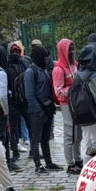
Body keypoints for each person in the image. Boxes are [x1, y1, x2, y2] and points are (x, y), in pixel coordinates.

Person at [25, 44, 60, 173]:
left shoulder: (43, 69)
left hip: (47, 110)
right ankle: (38, 165)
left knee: (45, 138)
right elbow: (29, 95)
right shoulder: (30, 72)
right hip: (37, 112)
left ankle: (49, 162)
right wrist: (39, 111)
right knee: (35, 139)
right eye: (44, 57)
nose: (47, 59)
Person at [0, 45, 20, 173]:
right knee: (4, 136)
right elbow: (2, 95)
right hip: (0, 109)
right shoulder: (1, 73)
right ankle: (4, 162)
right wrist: (6, 111)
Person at [53, 38, 82, 174]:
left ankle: (78, 159)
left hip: (75, 103)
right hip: (66, 104)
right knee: (69, 133)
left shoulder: (74, 64)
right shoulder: (58, 69)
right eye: (69, 49)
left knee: (78, 133)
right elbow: (58, 91)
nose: (71, 52)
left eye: (73, 48)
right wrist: (73, 89)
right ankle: (70, 164)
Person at [5, 42, 30, 166]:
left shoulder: (24, 64)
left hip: (24, 101)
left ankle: (33, 151)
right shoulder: (6, 66)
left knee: (30, 126)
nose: (15, 54)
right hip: (12, 102)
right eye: (13, 52)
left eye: (17, 52)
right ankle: (15, 152)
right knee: (13, 128)